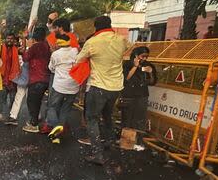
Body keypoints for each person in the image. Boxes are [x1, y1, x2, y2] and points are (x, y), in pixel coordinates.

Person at [75, 15, 131, 165]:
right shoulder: (121, 39)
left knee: (92, 119)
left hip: (98, 86)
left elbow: (78, 60)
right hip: (116, 87)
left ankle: (97, 154)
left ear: (95, 27)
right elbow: (129, 47)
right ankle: (109, 142)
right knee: (107, 116)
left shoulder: (92, 42)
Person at [45, 32, 80, 143]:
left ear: (58, 43)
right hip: (74, 86)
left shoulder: (56, 54)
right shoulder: (76, 51)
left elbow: (51, 68)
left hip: (59, 85)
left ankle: (56, 127)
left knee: (52, 106)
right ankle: (59, 131)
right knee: (65, 108)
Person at [22, 26, 51, 133]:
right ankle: (37, 118)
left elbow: (25, 58)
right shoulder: (47, 46)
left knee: (32, 102)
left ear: (34, 37)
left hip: (36, 79)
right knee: (38, 101)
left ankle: (34, 124)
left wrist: (27, 47)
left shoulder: (35, 47)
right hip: (46, 78)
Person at [121, 46, 156, 131]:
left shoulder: (148, 65)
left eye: (146, 57)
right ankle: (125, 138)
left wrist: (151, 73)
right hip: (129, 94)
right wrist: (135, 66)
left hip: (142, 95)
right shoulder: (127, 64)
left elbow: (152, 82)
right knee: (127, 118)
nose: (144, 58)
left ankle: (138, 139)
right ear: (136, 55)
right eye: (142, 56)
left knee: (140, 118)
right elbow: (126, 78)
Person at [0, 32, 21, 121]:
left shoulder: (17, 49)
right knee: (1, 97)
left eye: (11, 39)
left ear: (14, 40)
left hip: (13, 79)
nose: (10, 40)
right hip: (3, 77)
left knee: (12, 98)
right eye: (8, 38)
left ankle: (11, 115)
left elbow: (24, 53)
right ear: (5, 39)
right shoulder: (0, 48)